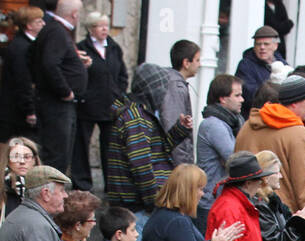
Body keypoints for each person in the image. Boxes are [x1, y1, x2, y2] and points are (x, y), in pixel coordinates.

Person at [234, 75, 305, 241]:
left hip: (244, 214)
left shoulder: (249, 126)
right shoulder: (298, 133)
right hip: (286, 222)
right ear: (294, 103)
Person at [104, 64, 194, 219]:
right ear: (153, 90)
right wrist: (154, 202)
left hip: (138, 203)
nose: (164, 94)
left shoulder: (142, 113)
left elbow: (156, 150)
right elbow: (140, 165)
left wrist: (179, 130)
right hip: (136, 206)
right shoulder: (136, 118)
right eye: (163, 89)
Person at [29, 0, 88, 176]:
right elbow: (49, 64)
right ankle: (47, 196)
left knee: (59, 154)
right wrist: (65, 91)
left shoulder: (54, 30)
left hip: (56, 103)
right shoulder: (56, 32)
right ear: (75, 14)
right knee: (56, 155)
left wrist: (76, 64)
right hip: (57, 104)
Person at [72, 10, 127, 191]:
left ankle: (111, 185)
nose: (104, 29)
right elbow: (76, 74)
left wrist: (119, 94)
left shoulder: (113, 47)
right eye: (100, 26)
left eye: (106, 25)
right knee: (81, 144)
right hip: (87, 104)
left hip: (110, 105)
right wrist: (83, 94)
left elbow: (122, 75)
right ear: (90, 29)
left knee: (110, 147)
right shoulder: (81, 47)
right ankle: (82, 183)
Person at [197, 75, 246, 231]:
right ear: (223, 99)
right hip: (210, 201)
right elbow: (235, 158)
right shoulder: (213, 124)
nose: (242, 99)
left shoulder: (233, 122)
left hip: (223, 199)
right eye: (237, 95)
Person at [0, 7, 43, 144]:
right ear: (29, 25)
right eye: (39, 21)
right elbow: (22, 80)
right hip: (17, 114)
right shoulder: (22, 47)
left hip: (18, 111)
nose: (43, 24)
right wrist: (29, 109)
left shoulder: (27, 44)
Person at [162, 40, 201, 168]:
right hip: (176, 165)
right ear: (186, 63)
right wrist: (183, 166)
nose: (200, 64)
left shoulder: (177, 84)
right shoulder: (175, 86)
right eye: (197, 60)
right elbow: (173, 125)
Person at [236, 25, 287, 115]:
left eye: (266, 44)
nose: (262, 47)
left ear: (275, 46)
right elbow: (250, 95)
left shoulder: (283, 65)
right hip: (255, 116)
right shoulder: (246, 65)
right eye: (258, 44)